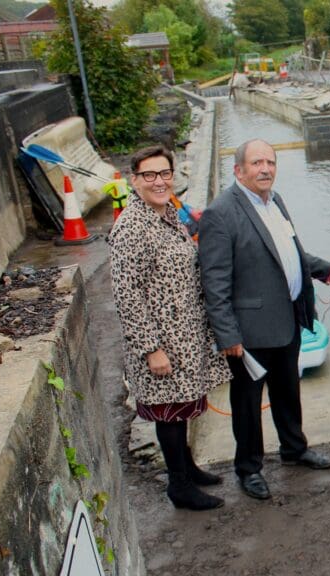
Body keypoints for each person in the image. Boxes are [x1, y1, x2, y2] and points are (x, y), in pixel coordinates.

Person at [200, 139, 330, 501]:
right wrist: (227, 334)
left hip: (287, 318)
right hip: (249, 333)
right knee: (247, 404)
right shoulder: (221, 212)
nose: (266, 169)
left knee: (288, 391)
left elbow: (287, 252)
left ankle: (294, 449)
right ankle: (249, 468)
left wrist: (320, 268)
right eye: (257, 163)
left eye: (271, 162)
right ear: (238, 170)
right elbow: (214, 282)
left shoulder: (275, 201)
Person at [109, 145, 231, 511]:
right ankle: (179, 485)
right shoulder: (132, 226)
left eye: (165, 173)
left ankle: (188, 467)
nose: (159, 181)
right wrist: (151, 349)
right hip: (162, 341)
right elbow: (126, 295)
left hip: (185, 336)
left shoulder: (167, 215)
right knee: (169, 413)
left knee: (183, 407)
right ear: (135, 180)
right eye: (150, 175)